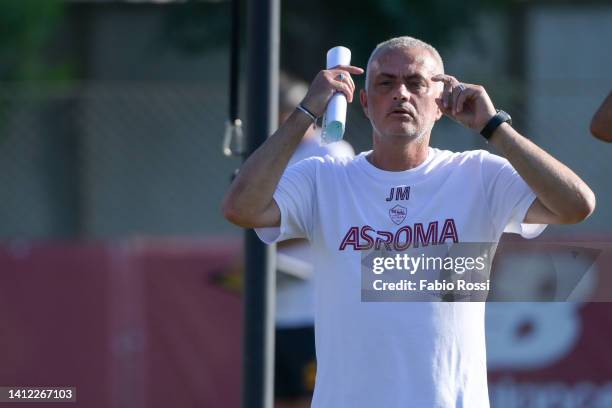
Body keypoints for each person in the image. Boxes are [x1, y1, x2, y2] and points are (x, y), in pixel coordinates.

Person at [222, 36, 595, 407]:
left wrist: (495, 127)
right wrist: (305, 112)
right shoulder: (324, 178)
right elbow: (242, 208)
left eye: (416, 83)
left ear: (440, 103)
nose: (400, 93)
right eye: (385, 83)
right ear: (364, 104)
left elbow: (575, 205)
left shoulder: (478, 174)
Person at [274, 73, 354, 408]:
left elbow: (334, 222)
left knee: (316, 399)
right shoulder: (279, 154)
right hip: (279, 310)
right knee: (280, 396)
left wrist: (270, 242)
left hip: (316, 309)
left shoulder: (330, 151)